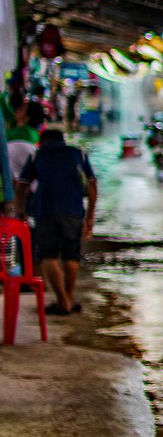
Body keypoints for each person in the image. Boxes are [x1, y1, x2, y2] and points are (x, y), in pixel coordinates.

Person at [14, 128, 97, 314]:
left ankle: (63, 301)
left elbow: (22, 186)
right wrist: (90, 216)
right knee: (71, 255)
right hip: (74, 212)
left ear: (43, 142)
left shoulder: (38, 155)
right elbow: (92, 185)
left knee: (48, 256)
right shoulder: (78, 154)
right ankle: (67, 299)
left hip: (45, 211)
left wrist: (20, 212)